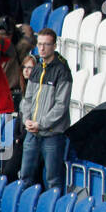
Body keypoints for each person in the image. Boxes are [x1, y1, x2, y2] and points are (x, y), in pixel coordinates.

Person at [16, 27, 71, 191]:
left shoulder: (62, 71)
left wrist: (41, 123)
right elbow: (28, 99)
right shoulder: (37, 68)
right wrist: (26, 119)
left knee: (53, 180)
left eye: (46, 44)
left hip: (52, 134)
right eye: (39, 44)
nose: (42, 48)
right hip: (32, 132)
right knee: (25, 176)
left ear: (54, 46)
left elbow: (61, 106)